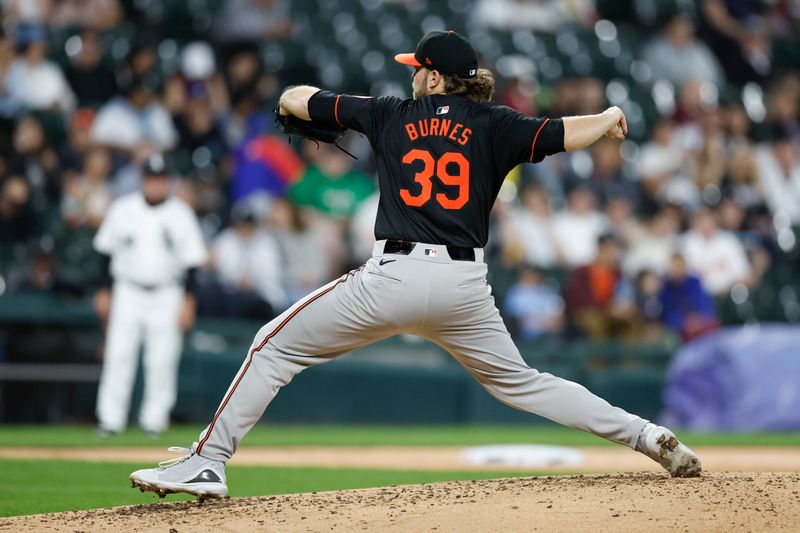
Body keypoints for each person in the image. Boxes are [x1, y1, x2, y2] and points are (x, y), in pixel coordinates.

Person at [129, 31, 701, 500]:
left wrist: (298, 105)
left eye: (415, 68)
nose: (410, 75)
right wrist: (607, 116)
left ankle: (209, 460)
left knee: (275, 346)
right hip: (465, 287)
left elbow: (298, 99)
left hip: (392, 277)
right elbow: (563, 134)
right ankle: (646, 435)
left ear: (431, 76)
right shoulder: (496, 124)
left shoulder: (389, 113)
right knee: (526, 384)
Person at [93, 154, 207, 437]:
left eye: (160, 178)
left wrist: (189, 301)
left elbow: (193, 263)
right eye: (151, 178)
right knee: (118, 355)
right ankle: (110, 419)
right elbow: (104, 253)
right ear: (143, 179)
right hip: (127, 290)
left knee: (162, 359)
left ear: (167, 180)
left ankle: (154, 420)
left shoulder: (180, 212)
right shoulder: (123, 208)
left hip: (167, 293)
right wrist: (104, 291)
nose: (155, 183)